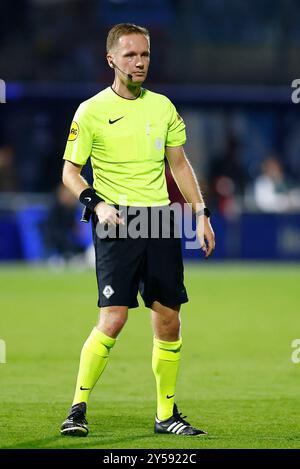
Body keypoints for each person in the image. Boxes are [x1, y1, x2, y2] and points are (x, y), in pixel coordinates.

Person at [60, 23, 215, 437]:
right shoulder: (90, 110)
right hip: (118, 220)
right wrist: (96, 202)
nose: (140, 62)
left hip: (160, 219)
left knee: (169, 321)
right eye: (130, 55)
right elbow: (70, 172)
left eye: (144, 54)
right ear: (111, 59)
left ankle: (166, 415)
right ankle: (77, 408)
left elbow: (178, 165)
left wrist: (201, 214)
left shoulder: (163, 106)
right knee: (112, 319)